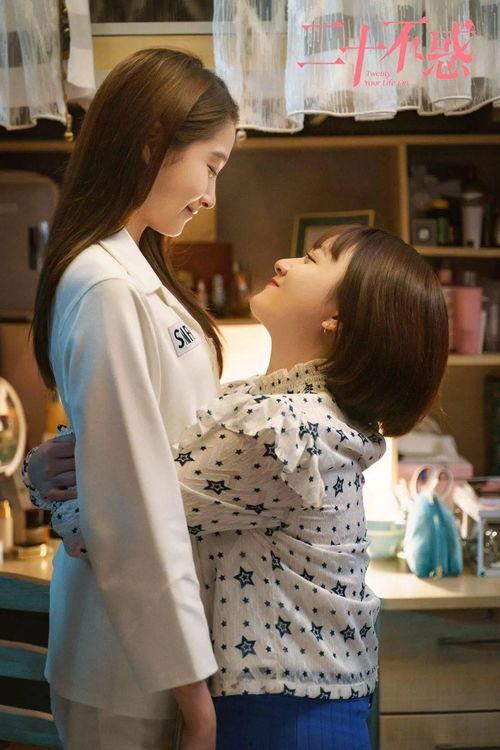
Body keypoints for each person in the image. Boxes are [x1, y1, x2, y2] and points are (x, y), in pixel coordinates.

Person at [25, 225, 449, 749]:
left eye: (314, 259)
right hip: (294, 705)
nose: (286, 263)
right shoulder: (284, 410)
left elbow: (119, 516)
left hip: (284, 717)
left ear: (338, 318)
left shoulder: (284, 432)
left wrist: (44, 479)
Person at [28, 46, 238, 750]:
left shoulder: (133, 270)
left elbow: (157, 447)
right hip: (129, 665)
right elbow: (133, 506)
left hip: (152, 654)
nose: (211, 196)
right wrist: (195, 699)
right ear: (153, 141)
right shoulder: (107, 285)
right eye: (211, 165)